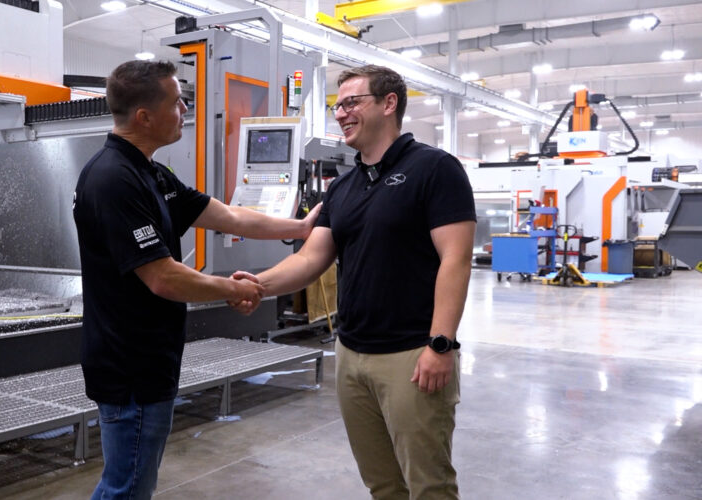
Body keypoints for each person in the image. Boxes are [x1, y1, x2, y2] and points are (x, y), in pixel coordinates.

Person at [72, 60, 321, 500]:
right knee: (126, 488)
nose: (185, 109)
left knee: (131, 483)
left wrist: (299, 228)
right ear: (144, 116)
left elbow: (228, 215)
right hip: (130, 366)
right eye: (177, 102)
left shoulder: (150, 172)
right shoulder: (113, 179)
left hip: (151, 359)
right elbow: (163, 277)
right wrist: (238, 289)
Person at [233, 65, 476, 499]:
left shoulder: (435, 169)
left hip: (411, 355)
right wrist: (256, 285)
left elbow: (455, 260)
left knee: (429, 485)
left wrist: (441, 344)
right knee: (382, 483)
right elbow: (311, 258)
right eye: (338, 105)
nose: (342, 113)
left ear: (389, 103)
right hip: (351, 354)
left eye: (352, 102)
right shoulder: (343, 187)